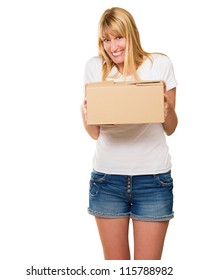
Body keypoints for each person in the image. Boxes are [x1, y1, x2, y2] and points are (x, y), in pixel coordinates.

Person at [81, 7, 178, 260]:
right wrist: (86, 112)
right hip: (107, 180)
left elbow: (171, 127)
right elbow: (94, 133)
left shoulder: (160, 64)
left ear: (132, 34)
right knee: (117, 272)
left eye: (118, 37)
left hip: (153, 180)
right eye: (106, 39)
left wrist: (165, 108)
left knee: (147, 271)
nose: (113, 46)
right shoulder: (95, 68)